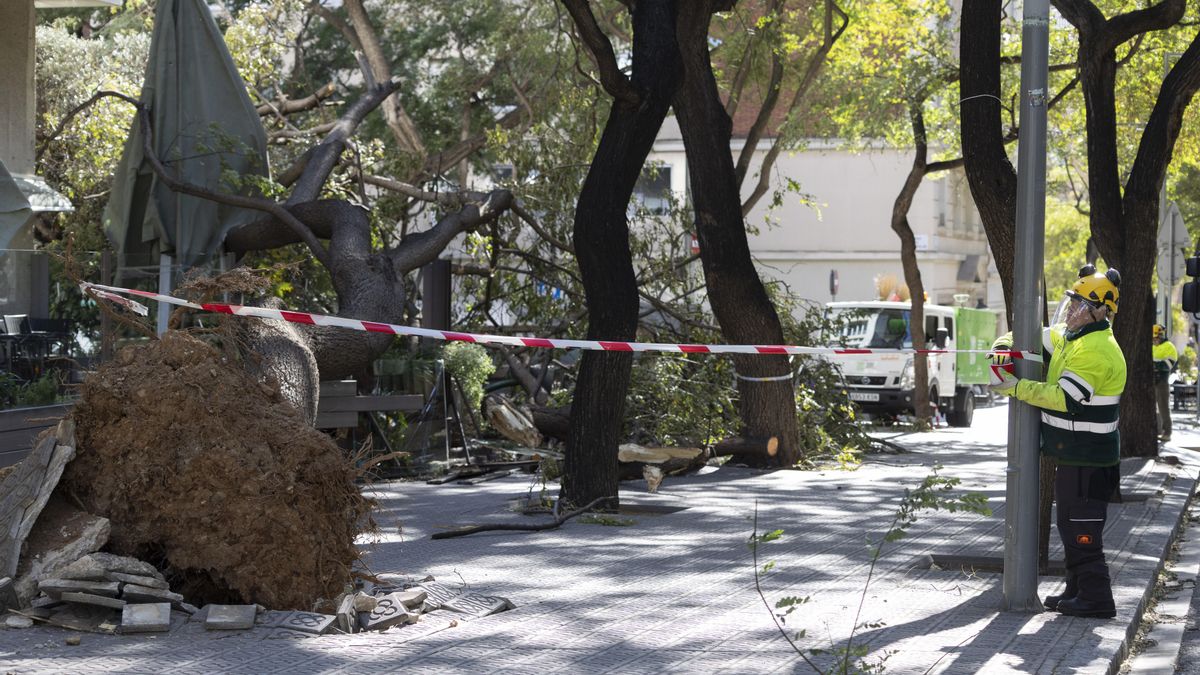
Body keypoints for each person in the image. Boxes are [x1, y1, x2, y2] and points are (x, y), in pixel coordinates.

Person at [990, 265, 1126, 619]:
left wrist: (1016, 389)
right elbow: (1035, 337)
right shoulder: (1073, 336)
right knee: (1070, 523)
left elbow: (1067, 399)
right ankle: (1076, 589)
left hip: (1088, 459)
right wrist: (1003, 347)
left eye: (1079, 304)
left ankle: (1097, 598)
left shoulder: (1097, 349)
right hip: (1076, 456)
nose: (1071, 309)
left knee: (1081, 528)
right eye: (1073, 301)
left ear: (1100, 310)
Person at [1152, 324, 1177, 442]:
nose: (1154, 341)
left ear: (1161, 336)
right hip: (1151, 381)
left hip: (1162, 381)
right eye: (1153, 339)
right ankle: (1158, 431)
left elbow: (1169, 364)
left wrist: (1155, 364)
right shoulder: (1152, 347)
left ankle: (1167, 432)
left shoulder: (1169, 346)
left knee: (1163, 408)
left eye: (1156, 338)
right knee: (1153, 408)